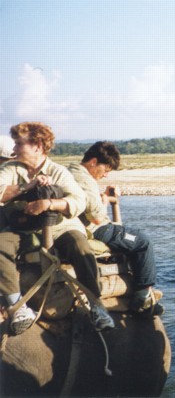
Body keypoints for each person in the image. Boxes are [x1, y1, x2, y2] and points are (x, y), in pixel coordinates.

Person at [0, 122, 114, 334]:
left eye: (18, 144)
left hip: (61, 227)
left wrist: (49, 204)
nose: (14, 149)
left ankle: (96, 305)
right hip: (24, 230)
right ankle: (17, 307)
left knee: (81, 246)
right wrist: (28, 186)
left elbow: (78, 201)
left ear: (37, 145)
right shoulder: (9, 169)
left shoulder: (58, 171)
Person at [68, 141, 164, 316]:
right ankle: (143, 297)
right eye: (105, 170)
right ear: (93, 162)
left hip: (82, 226)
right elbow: (97, 218)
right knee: (142, 241)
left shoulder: (72, 172)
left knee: (131, 237)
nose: (105, 175)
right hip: (96, 230)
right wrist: (105, 201)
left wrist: (101, 195)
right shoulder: (84, 179)